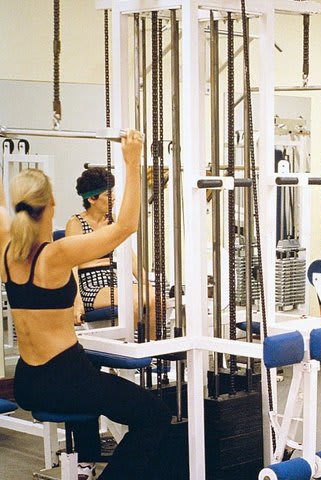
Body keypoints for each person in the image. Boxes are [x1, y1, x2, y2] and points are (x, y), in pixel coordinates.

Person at [4, 130, 172, 480]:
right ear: (50, 206)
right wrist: (132, 162)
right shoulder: (55, 254)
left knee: (104, 387)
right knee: (154, 414)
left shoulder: (6, 250)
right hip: (65, 379)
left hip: (28, 381)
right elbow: (126, 227)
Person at [66, 167, 156, 339]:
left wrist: (147, 284)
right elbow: (72, 267)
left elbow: (130, 258)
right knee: (135, 301)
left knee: (154, 298)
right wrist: (76, 303)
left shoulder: (113, 220)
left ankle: (150, 355)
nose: (113, 198)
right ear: (92, 198)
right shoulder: (76, 223)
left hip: (113, 280)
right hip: (90, 285)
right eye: (108, 195)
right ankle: (130, 353)